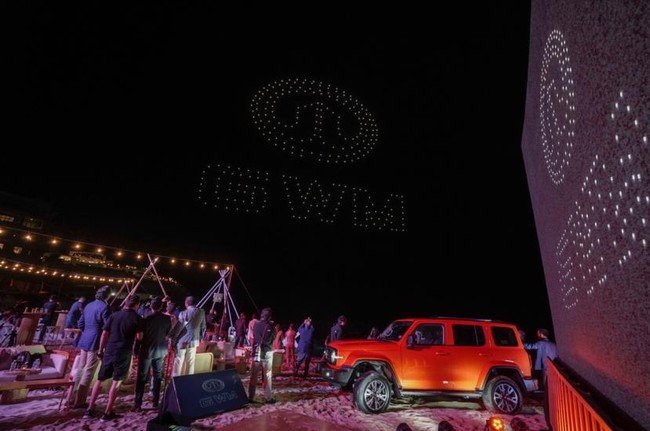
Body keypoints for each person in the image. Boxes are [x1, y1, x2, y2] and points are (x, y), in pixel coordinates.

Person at [85, 295, 142, 422]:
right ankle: (107, 412)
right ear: (136, 305)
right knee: (116, 382)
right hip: (124, 351)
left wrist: (101, 350)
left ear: (125, 303)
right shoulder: (137, 318)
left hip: (110, 350)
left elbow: (104, 333)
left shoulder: (114, 315)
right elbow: (139, 337)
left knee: (100, 379)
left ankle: (89, 409)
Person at [66, 286, 112, 409]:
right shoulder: (105, 307)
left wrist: (86, 332)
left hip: (85, 339)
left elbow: (80, 323)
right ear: (107, 295)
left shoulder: (89, 305)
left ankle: (71, 397)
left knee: (81, 368)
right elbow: (107, 327)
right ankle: (80, 401)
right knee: (89, 370)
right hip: (95, 340)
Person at [133, 297, 172, 412]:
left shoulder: (145, 319)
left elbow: (140, 337)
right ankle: (155, 400)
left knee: (141, 377)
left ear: (151, 306)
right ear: (161, 307)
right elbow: (167, 334)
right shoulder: (167, 319)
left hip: (147, 350)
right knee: (157, 376)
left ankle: (138, 403)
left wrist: (136, 350)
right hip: (160, 350)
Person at [168, 296, 207, 376]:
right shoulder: (201, 312)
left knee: (179, 361)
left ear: (186, 303)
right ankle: (188, 380)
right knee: (191, 362)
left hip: (183, 341)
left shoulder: (183, 313)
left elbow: (178, 328)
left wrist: (172, 337)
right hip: (194, 340)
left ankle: (176, 380)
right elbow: (203, 327)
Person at [248, 307, 276, 404]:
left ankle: (250, 397)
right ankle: (268, 397)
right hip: (267, 352)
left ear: (261, 315)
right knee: (267, 375)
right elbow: (273, 337)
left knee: (253, 375)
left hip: (256, 352)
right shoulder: (271, 326)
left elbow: (255, 337)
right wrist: (272, 326)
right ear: (269, 317)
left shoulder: (256, 324)